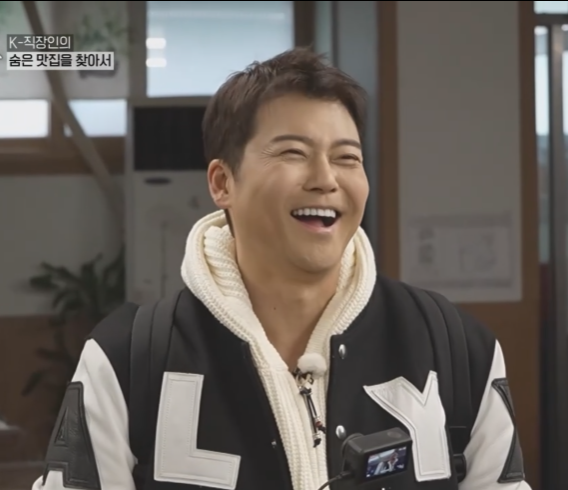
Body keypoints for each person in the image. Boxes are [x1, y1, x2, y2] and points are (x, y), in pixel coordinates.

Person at [32, 48, 531, 490]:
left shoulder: (455, 348)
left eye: (347, 158)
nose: (325, 179)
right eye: (294, 152)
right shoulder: (126, 359)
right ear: (222, 182)